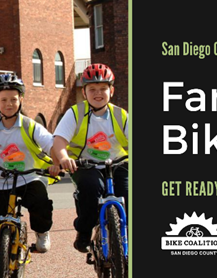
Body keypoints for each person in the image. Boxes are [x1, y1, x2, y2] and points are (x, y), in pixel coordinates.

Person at [0, 73, 60, 277]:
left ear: (21, 100)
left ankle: (41, 231)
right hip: (2, 181)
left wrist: (57, 160)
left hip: (30, 177)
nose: (9, 104)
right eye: (3, 100)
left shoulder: (30, 126)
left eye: (14, 99)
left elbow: (50, 143)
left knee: (40, 200)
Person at [53, 63, 129, 253]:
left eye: (103, 88)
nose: (98, 93)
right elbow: (60, 139)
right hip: (86, 164)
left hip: (119, 163)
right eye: (92, 89)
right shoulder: (75, 113)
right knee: (90, 189)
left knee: (128, 194)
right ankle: (84, 232)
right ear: (84, 92)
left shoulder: (120, 115)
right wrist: (63, 157)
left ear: (111, 90)